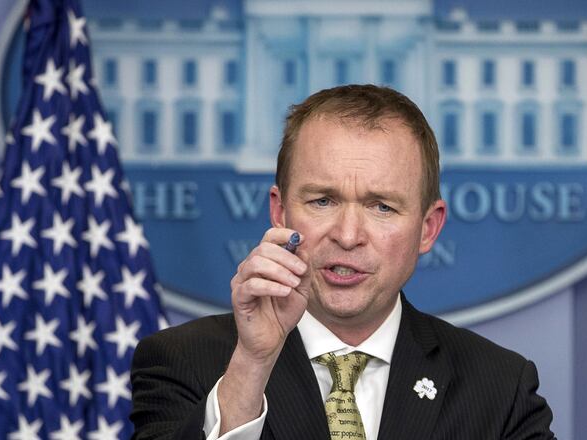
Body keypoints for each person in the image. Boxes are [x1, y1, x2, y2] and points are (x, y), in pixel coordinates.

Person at [130, 84, 555, 439]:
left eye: (382, 207)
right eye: (322, 200)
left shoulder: (501, 388)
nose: (348, 236)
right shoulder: (180, 361)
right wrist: (252, 365)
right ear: (280, 212)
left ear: (428, 228)